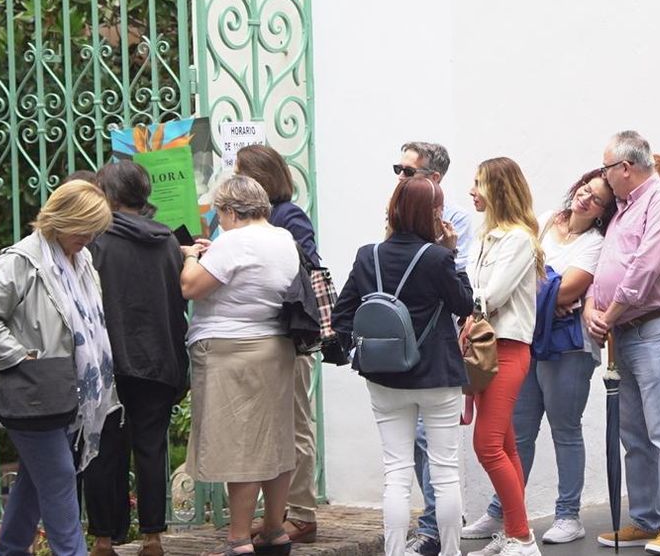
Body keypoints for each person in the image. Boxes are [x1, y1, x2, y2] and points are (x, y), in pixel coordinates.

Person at [465, 171, 615, 546]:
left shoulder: (595, 242)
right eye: (584, 188)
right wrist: (546, 288)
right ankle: (504, 513)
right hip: (529, 337)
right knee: (518, 431)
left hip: (568, 346)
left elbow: (570, 289)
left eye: (595, 199)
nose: (585, 198)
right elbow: (551, 288)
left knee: (565, 429)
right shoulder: (546, 219)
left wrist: (535, 285)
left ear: (602, 212)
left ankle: (568, 514)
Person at [0, 180, 118, 556]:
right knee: (59, 478)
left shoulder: (79, 261)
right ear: (62, 218)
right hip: (33, 391)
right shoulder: (23, 260)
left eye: (94, 229)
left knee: (36, 483)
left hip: (69, 393)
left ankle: (8, 551)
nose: (89, 236)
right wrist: (20, 356)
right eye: (84, 226)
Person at [333, 176, 474, 556]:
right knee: (444, 473)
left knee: (395, 473)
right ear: (433, 213)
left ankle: (394, 552)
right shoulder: (439, 257)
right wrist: (453, 254)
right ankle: (450, 552)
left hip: (384, 376)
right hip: (437, 375)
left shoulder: (368, 255)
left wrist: (355, 353)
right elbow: (464, 304)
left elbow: (341, 313)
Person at [584, 131, 660, 556]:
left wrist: (607, 315)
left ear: (626, 168)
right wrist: (592, 310)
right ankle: (648, 518)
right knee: (634, 433)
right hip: (628, 331)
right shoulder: (625, 210)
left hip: (656, 327)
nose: (604, 178)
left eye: (606, 169)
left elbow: (644, 270)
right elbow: (608, 269)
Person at [179, 175, 301, 556]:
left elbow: (191, 287)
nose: (220, 222)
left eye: (220, 214)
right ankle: (275, 532)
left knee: (241, 447)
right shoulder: (284, 239)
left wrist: (191, 256)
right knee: (276, 442)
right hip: (275, 346)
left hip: (232, 350)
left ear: (230, 210)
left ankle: (237, 539)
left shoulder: (234, 241)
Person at [82, 163, 188, 556]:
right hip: (159, 358)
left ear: (108, 196)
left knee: (103, 452)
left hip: (108, 361)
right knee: (151, 448)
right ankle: (153, 538)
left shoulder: (97, 243)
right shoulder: (168, 243)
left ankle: (104, 539)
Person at [234, 145, 323, 544]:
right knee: (273, 427)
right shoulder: (256, 221)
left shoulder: (288, 217)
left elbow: (306, 265)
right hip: (265, 337)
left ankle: (302, 513)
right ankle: (279, 513)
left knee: (296, 424)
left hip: (289, 336)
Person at [459, 158, 542, 556]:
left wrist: (463, 297)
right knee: (505, 446)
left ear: (498, 189)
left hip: (506, 349)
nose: (472, 191)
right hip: (485, 349)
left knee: (487, 444)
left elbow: (490, 295)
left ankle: (523, 537)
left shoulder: (518, 239)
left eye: (478, 184)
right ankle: (514, 531)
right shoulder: (484, 237)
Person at [396, 141, 469, 556]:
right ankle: (436, 521)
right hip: (405, 345)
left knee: (431, 445)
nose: (400, 178)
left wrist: (446, 252)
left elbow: (460, 289)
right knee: (411, 449)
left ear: (433, 178)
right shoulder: (397, 222)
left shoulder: (454, 221)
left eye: (407, 172)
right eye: (399, 170)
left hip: (435, 346)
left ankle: (434, 528)